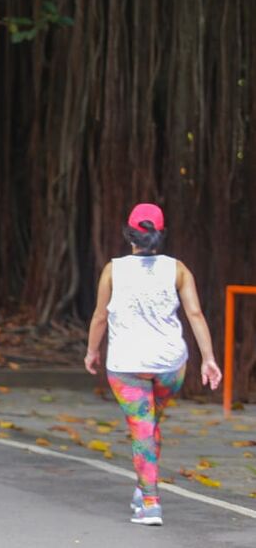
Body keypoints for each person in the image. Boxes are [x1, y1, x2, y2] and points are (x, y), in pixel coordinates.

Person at [85, 203, 222, 527]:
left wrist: (91, 351)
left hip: (127, 365)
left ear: (128, 233)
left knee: (142, 428)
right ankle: (142, 488)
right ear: (160, 234)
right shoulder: (178, 269)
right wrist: (209, 358)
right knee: (149, 425)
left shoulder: (112, 270)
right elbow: (195, 314)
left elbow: (100, 315)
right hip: (170, 366)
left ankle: (150, 502)